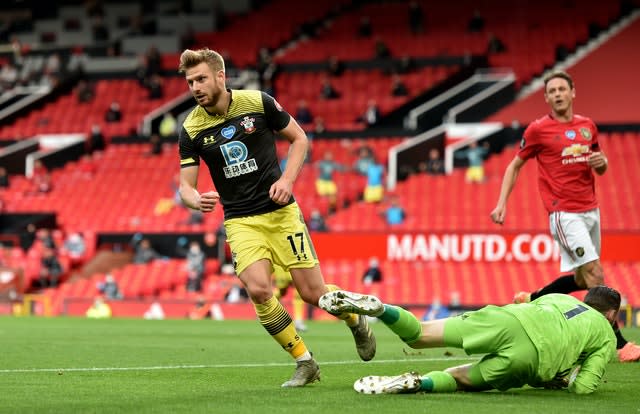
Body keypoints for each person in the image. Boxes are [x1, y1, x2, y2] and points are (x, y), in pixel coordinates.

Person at [176, 48, 377, 387]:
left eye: (201, 79)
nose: (195, 87)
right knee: (258, 290)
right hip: (240, 220)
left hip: (281, 214)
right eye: (190, 81)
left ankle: (355, 319)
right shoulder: (191, 129)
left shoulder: (259, 103)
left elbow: (299, 139)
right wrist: (195, 200)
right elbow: (186, 186)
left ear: (220, 77)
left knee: (314, 293)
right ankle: (305, 361)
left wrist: (286, 180)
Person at [490, 70, 640, 362]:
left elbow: (600, 167)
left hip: (590, 209)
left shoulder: (587, 127)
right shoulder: (537, 130)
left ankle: (530, 299)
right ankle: (620, 345)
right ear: (546, 98)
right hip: (563, 211)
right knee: (596, 274)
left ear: (573, 92)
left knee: (583, 280)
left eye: (562, 89)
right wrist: (501, 203)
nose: (557, 94)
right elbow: (514, 166)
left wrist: (603, 162)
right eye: (552, 91)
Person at [319, 286, 621, 395]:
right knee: (460, 378)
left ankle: (382, 309)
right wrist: (564, 378)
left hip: (508, 319)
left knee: (420, 334)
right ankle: (418, 383)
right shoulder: (605, 333)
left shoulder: (561, 296)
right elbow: (583, 388)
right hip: (532, 356)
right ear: (611, 314)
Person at [273, 265, 307, 332]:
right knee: (282, 291)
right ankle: (265, 306)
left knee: (298, 290)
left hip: (294, 264)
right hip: (281, 266)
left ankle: (298, 320)